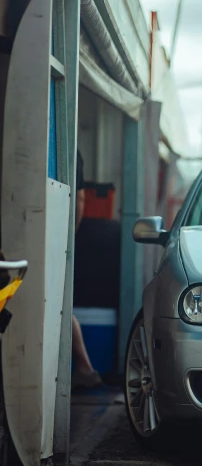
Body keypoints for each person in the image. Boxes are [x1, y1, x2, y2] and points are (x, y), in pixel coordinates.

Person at [71, 152, 102, 390]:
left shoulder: (72, 147)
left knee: (56, 306)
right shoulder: (75, 150)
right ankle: (85, 368)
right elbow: (79, 198)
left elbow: (80, 197)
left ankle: (84, 367)